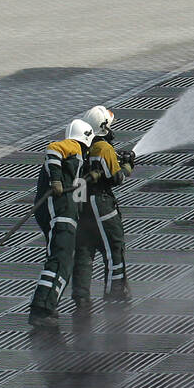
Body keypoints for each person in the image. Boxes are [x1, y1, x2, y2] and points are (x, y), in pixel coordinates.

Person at [27, 118, 94, 329]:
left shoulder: (80, 158)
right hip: (60, 212)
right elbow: (53, 150)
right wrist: (56, 179)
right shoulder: (72, 146)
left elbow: (79, 191)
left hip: (63, 212)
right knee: (60, 259)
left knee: (60, 258)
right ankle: (41, 309)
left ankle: (47, 305)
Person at [72, 105, 135, 309]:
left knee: (84, 251)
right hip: (101, 205)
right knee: (113, 247)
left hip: (79, 204)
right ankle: (115, 292)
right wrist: (127, 167)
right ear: (103, 127)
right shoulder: (103, 148)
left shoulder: (77, 146)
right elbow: (116, 177)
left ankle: (81, 297)